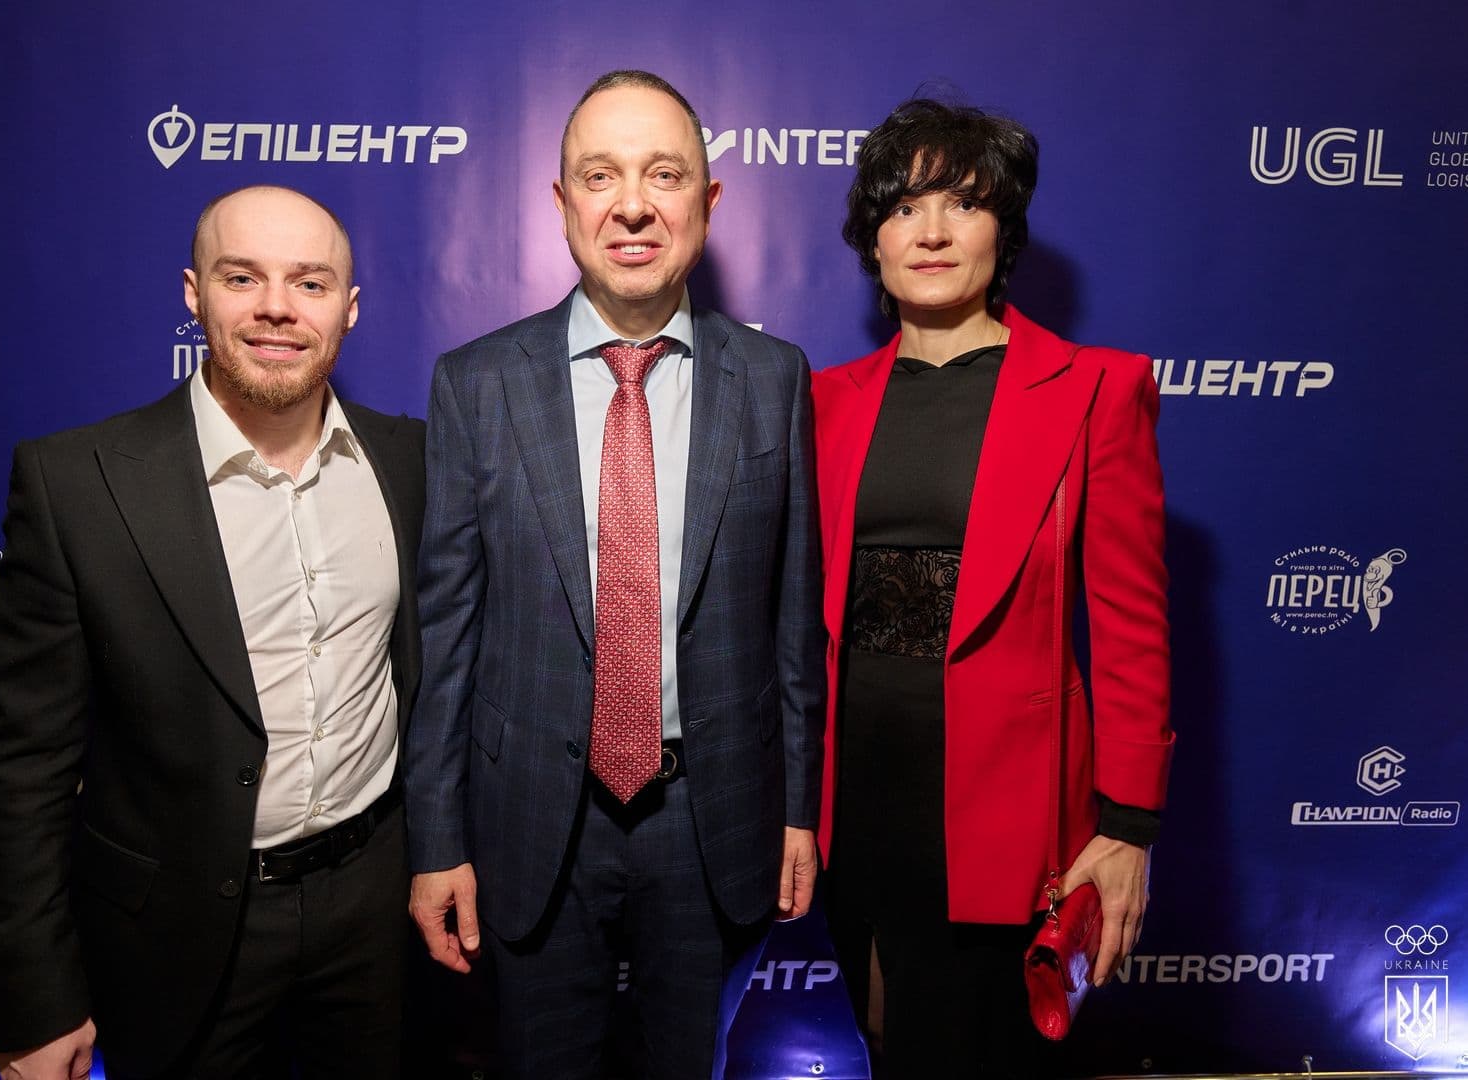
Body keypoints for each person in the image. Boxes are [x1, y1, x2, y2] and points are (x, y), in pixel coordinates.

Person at [405, 70, 824, 1079]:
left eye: (664, 175)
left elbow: (792, 621)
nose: (632, 205)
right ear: (562, 204)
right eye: (600, 176)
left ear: (708, 203)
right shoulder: (476, 383)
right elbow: (445, 640)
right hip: (531, 822)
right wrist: (436, 840)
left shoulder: (773, 379)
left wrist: (799, 807)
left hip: (712, 817)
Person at [0, 185, 424, 1079]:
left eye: (310, 283)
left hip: (375, 912)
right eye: (242, 277)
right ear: (193, 293)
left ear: (349, 308)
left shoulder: (411, 459)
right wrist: (32, 1000)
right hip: (177, 931)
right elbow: (23, 768)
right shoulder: (78, 484)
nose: (277, 308)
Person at [811, 99, 1173, 1077]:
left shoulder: (1096, 390)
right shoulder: (822, 401)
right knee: (883, 1042)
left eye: (961, 204)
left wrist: (1127, 827)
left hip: (1005, 817)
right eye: (903, 208)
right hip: (858, 803)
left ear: (1002, 231)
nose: (929, 231)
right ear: (874, 240)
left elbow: (1133, 626)